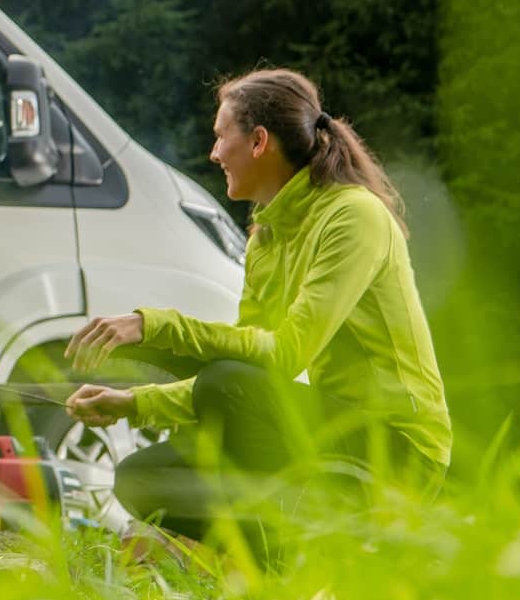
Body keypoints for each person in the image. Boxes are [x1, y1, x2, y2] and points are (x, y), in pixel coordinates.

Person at [63, 68, 450, 550]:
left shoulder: (353, 215)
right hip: (336, 432)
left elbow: (282, 355)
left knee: (229, 382)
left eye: (221, 136)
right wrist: (135, 402)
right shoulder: (265, 241)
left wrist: (151, 326)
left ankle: (311, 546)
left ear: (259, 141)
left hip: (399, 449)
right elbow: (241, 371)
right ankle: (268, 557)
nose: (214, 152)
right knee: (143, 476)